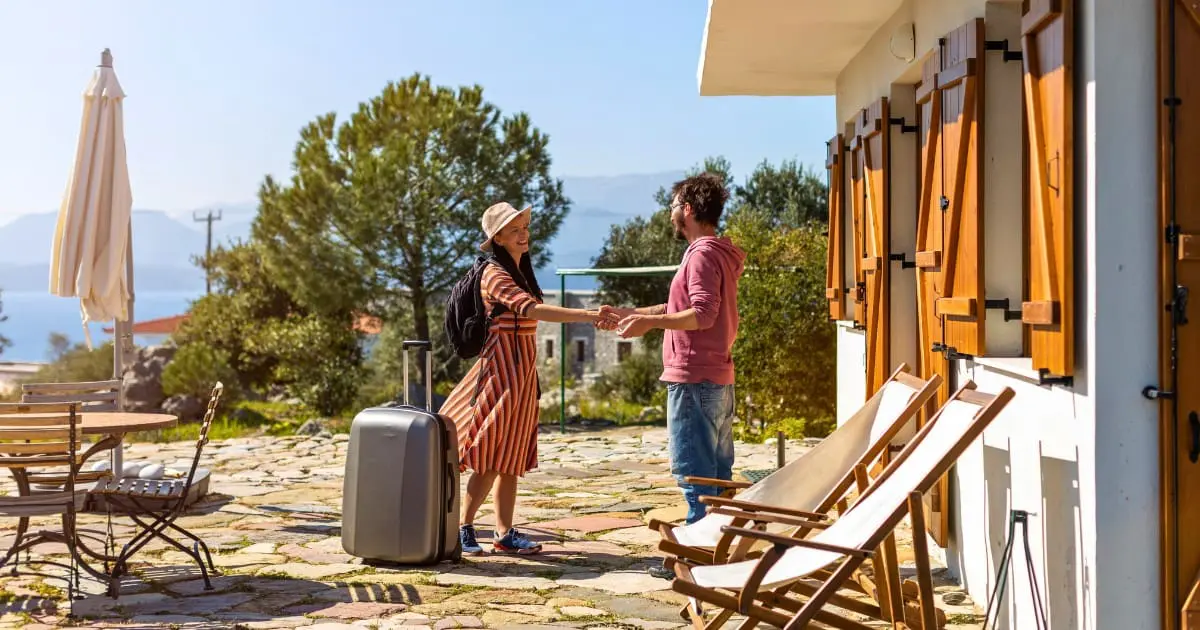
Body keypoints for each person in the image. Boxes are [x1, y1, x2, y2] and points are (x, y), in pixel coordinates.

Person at [441, 201, 613, 556]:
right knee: (489, 456)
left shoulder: (520, 271)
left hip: (520, 376)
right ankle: (463, 527)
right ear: (497, 237)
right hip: (499, 375)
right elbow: (532, 309)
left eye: (525, 227)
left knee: (512, 457)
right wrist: (588, 314)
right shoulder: (495, 275)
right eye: (515, 229)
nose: (524, 235)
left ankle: (503, 532)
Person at [600, 173, 746, 575]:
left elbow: (701, 314)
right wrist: (635, 315)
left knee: (696, 475)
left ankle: (697, 563)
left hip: (693, 377)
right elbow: (679, 304)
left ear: (687, 208)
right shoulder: (717, 252)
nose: (668, 213)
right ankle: (717, 554)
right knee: (716, 475)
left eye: (673, 205)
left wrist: (652, 326)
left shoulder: (700, 254)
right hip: (716, 377)